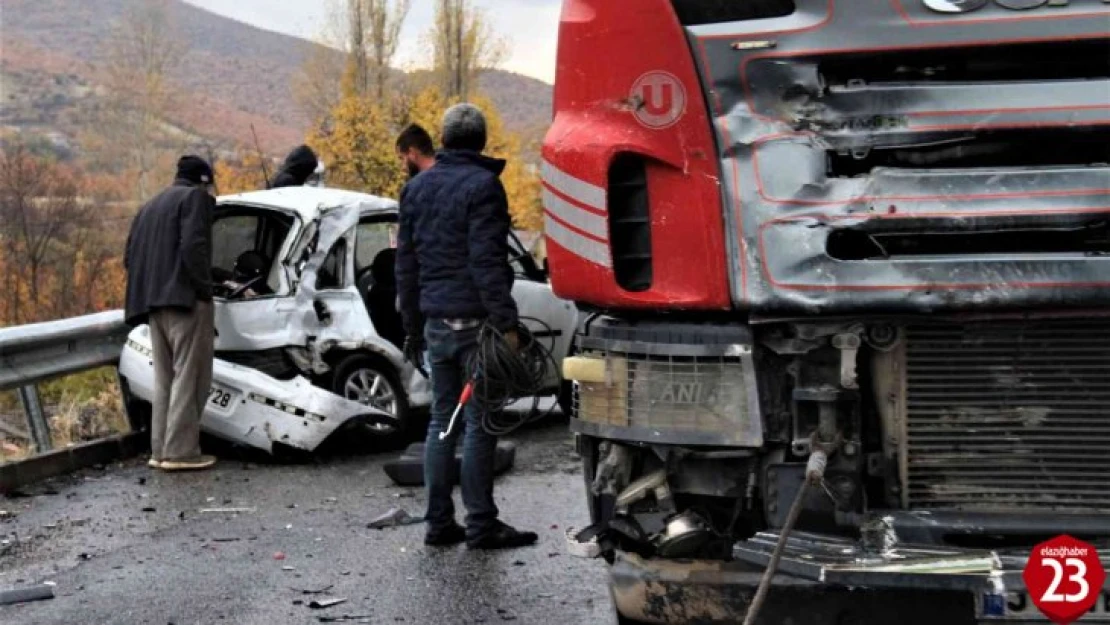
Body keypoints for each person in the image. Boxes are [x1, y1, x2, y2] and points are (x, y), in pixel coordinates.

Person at [395, 104, 537, 550]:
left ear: (443, 139)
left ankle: (438, 525)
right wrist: (507, 323)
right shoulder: (484, 186)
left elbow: (406, 264)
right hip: (477, 328)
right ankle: (481, 525)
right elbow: (487, 262)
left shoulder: (415, 189)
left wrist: (412, 327)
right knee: (479, 424)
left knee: (442, 420)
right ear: (481, 140)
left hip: (436, 323)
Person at [124, 155, 219, 472]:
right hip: (186, 302)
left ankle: (160, 450)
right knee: (190, 379)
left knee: (165, 379)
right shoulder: (195, 198)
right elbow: (194, 247)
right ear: (203, 180)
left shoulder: (150, 206)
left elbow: (130, 257)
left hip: (153, 305)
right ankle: (181, 452)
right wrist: (206, 288)